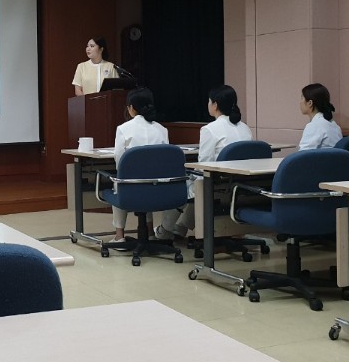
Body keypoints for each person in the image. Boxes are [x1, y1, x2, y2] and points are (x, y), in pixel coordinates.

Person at [159, 85, 252, 240]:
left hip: (216, 184)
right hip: (240, 185)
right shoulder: (245, 128)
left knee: (180, 182)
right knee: (198, 184)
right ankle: (180, 228)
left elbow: (204, 165)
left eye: (209, 101)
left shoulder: (210, 129)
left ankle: (165, 231)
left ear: (215, 105)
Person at [108, 88, 170, 246]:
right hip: (158, 187)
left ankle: (119, 236)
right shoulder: (162, 130)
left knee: (119, 181)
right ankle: (150, 233)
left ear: (131, 107)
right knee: (147, 182)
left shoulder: (123, 129)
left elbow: (119, 162)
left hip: (131, 186)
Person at [298, 83, 343, 150]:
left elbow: (303, 153)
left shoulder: (314, 126)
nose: (300, 102)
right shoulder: (334, 125)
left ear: (310, 103)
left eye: (302, 98)